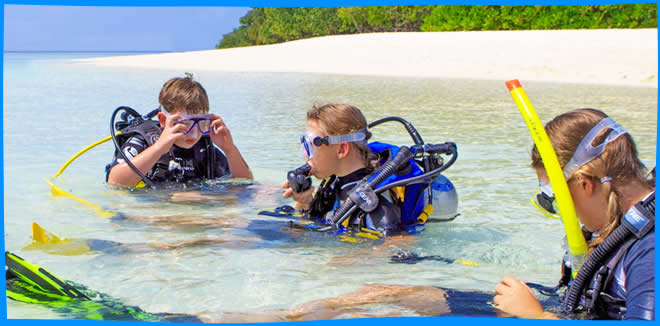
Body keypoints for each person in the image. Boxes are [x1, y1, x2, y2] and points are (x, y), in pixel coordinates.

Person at [494, 108, 654, 320]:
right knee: (438, 299)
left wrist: (538, 317)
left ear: (585, 184)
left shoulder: (649, 252)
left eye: (555, 199)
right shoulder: (623, 230)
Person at [106, 73, 253, 187]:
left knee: (266, 192)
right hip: (154, 212)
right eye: (185, 124)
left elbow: (245, 183)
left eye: (202, 124)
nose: (194, 133)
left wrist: (230, 150)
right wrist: (159, 148)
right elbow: (114, 181)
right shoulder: (144, 142)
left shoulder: (205, 149)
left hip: (192, 208)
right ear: (163, 120)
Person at [281, 104, 405, 236]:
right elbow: (314, 219)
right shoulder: (334, 181)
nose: (305, 154)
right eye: (304, 145)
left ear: (341, 150)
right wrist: (305, 202)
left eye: (311, 146)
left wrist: (348, 256)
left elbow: (400, 241)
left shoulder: (373, 201)